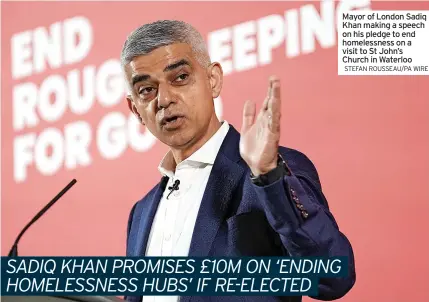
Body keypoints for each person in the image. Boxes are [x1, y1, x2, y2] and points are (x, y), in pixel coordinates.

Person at [121, 20, 355, 302]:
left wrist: (269, 177)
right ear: (135, 109)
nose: (165, 99)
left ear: (213, 80)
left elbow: (333, 277)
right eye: (147, 89)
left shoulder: (273, 171)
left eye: (180, 77)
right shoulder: (141, 212)